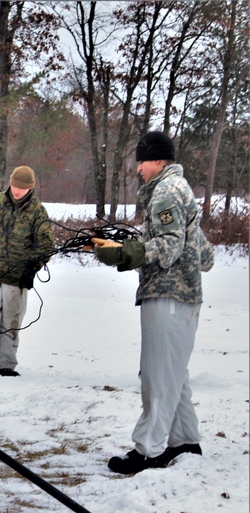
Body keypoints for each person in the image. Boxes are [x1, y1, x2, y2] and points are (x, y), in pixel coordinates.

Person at [93, 130, 214, 475]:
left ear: (158, 160)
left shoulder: (165, 191)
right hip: (184, 296)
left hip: (168, 296)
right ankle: (184, 441)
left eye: (142, 161)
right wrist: (135, 245)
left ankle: (147, 450)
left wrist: (128, 253)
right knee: (174, 374)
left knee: (158, 376)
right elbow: (204, 254)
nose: (139, 169)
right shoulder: (181, 190)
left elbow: (170, 246)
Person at [0, 165, 55, 380]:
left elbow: (47, 245)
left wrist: (33, 268)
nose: (17, 191)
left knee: (12, 321)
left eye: (22, 188)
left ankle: (6, 364)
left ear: (31, 188)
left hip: (17, 277)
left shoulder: (37, 210)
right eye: (15, 186)